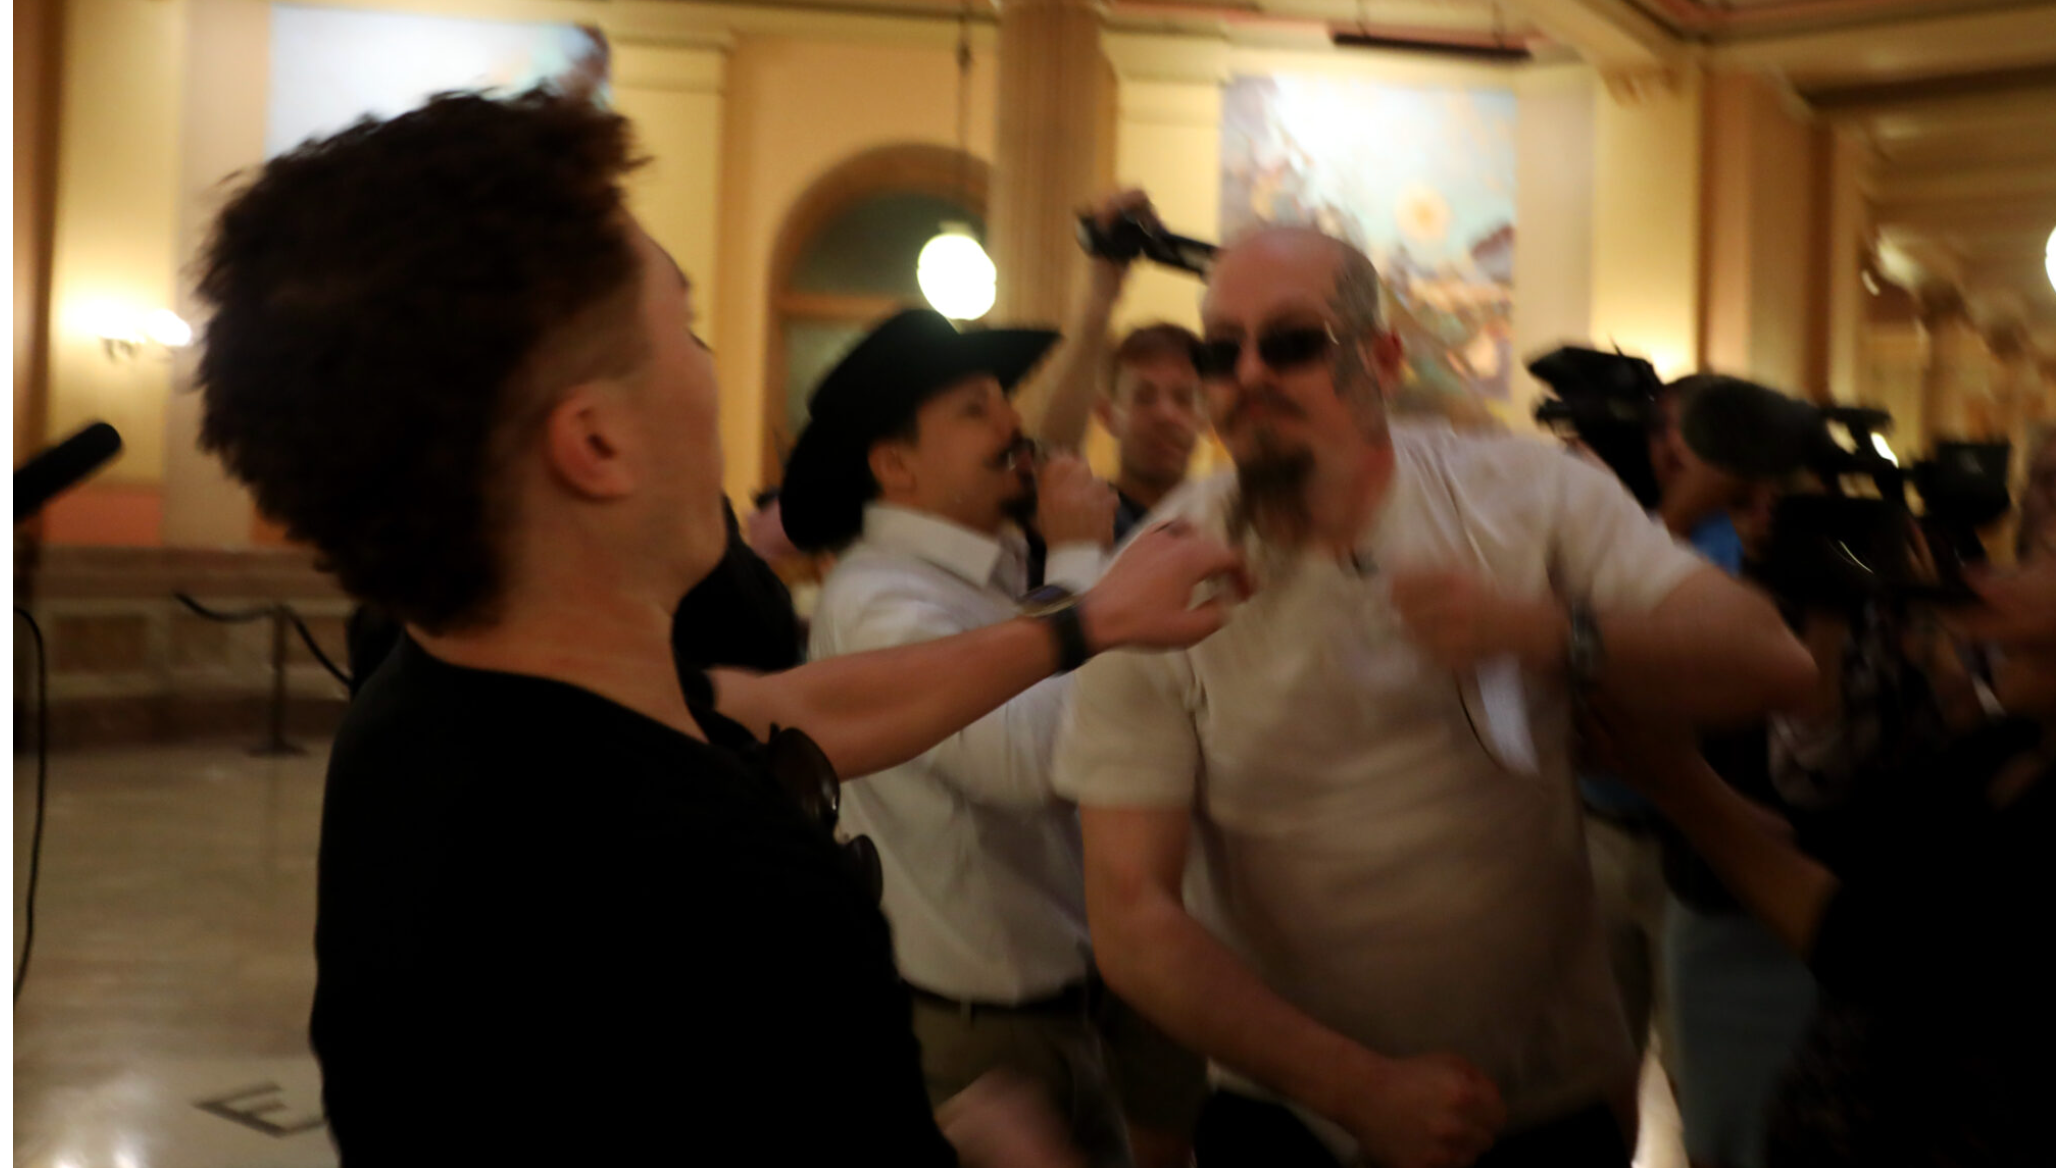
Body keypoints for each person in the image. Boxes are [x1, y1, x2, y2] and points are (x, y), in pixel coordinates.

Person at [193, 90, 1246, 1165]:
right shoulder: (737, 904)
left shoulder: (420, 710)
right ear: (596, 444)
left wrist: (1081, 625)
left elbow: (793, 709)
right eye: (687, 331)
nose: (713, 373)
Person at [1053, 225, 1818, 1168]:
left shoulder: (1522, 494)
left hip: (1542, 1102)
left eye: (1291, 342)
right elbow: (1130, 914)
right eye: (1222, 350)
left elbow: (1771, 661)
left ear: (1379, 358)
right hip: (1288, 1113)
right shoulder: (1160, 573)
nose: (1247, 373)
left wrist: (1544, 632)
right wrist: (1358, 1090)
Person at [781, 307, 1140, 1166]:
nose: (1014, 426)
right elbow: (1031, 761)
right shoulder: (881, 601)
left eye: (1003, 403)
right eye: (976, 410)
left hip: (1064, 1019)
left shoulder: (1002, 565)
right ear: (895, 463)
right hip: (972, 1049)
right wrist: (1084, 567)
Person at [1587, 554, 2056, 1168]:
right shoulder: (2005, 748)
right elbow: (1852, 858)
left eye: (2046, 557)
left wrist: (1678, 784)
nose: (2009, 577)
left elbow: (1875, 949)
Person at [1027, 191, 1206, 543]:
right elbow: (1047, 457)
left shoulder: (1224, 522)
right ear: (1107, 414)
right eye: (1144, 396)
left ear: (1208, 416)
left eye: (1184, 398)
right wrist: (1101, 294)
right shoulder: (1085, 516)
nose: (1166, 414)